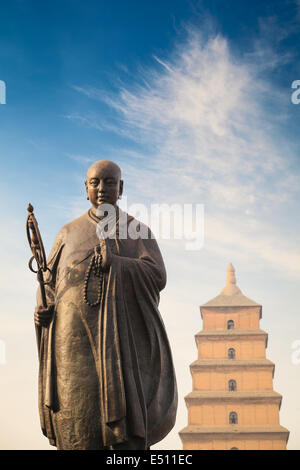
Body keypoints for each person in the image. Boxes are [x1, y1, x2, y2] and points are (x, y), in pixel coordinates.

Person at [34, 160, 178, 450]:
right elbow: (48, 284)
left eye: (110, 182)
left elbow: (157, 275)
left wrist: (119, 264)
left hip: (121, 343)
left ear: (121, 188)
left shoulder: (137, 230)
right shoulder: (67, 233)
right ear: (85, 188)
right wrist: (43, 308)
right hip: (71, 344)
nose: (102, 188)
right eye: (95, 182)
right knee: (76, 420)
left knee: (123, 435)